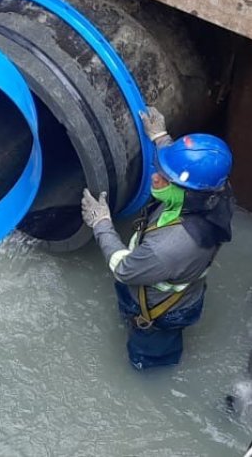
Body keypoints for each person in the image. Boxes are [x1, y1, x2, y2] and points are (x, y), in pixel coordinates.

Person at [80, 106, 234, 370]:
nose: (155, 177)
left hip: (160, 313)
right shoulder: (215, 193)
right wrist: (160, 137)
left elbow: (124, 269)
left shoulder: (168, 247)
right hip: (178, 288)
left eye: (165, 178)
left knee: (147, 356)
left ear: (189, 194)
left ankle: (150, 365)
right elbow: (187, 170)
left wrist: (101, 223)